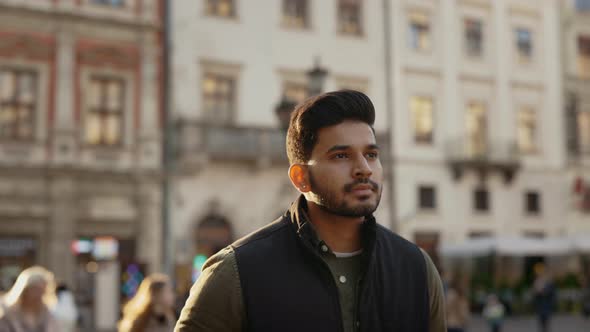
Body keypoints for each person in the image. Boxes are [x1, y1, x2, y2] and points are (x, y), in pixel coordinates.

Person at [175, 90, 446, 332]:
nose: (364, 168)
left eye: (371, 154)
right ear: (301, 178)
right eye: (341, 156)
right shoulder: (235, 273)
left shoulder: (417, 269)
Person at [0, 266, 60, 332]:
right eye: (35, 290)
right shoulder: (7, 313)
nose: (39, 295)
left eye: (42, 291)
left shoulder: (47, 314)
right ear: (24, 290)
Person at [533, 264, 556, 332]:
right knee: (541, 320)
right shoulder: (537, 281)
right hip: (540, 304)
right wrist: (536, 291)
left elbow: (551, 292)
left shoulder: (549, 282)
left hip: (547, 304)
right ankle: (543, 329)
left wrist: (542, 291)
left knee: (546, 319)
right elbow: (535, 293)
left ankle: (545, 329)